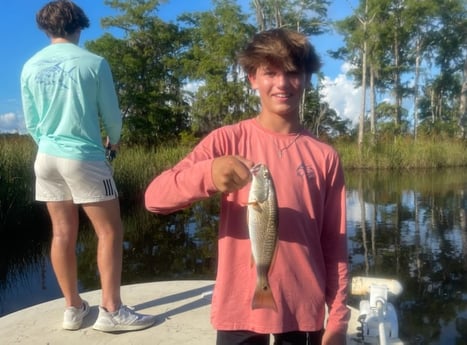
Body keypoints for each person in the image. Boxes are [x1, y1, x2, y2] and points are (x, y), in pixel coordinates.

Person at [145, 28, 350, 345]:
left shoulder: (325, 157)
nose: (282, 83)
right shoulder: (226, 141)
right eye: (270, 72)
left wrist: (337, 320)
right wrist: (209, 175)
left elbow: (334, 246)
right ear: (252, 78)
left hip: (303, 311)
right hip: (239, 305)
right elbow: (155, 198)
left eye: (293, 73)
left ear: (307, 78)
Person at [21, 0, 156, 333]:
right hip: (84, 156)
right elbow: (111, 114)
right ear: (79, 26)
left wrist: (49, 144)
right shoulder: (94, 63)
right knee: (109, 230)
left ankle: (73, 309)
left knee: (62, 233)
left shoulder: (29, 66)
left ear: (46, 28)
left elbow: (32, 122)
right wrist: (114, 140)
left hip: (46, 158)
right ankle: (111, 310)